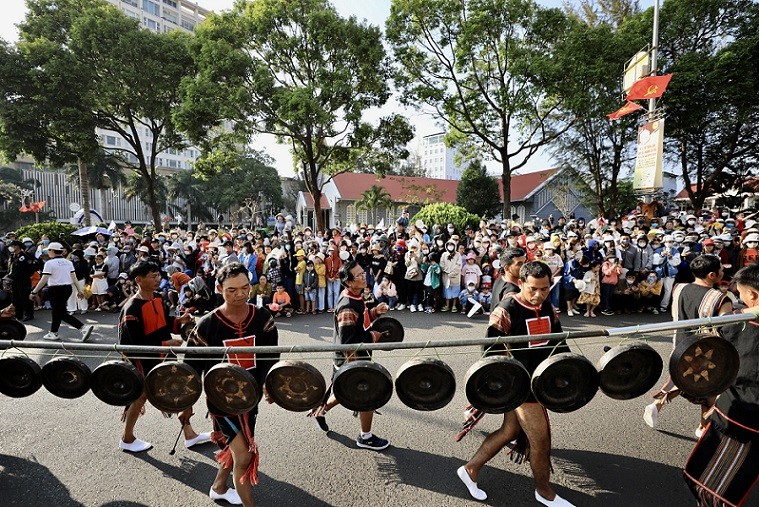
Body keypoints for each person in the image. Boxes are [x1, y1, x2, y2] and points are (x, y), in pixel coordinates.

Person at [456, 261, 574, 506]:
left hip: (539, 382)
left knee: (510, 431)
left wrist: (573, 369)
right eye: (533, 289)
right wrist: (501, 388)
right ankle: (544, 492)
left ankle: (470, 469)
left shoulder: (547, 305)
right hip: (519, 386)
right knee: (540, 440)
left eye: (545, 289)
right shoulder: (507, 309)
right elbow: (490, 354)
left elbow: (559, 344)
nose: (539, 295)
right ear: (521, 283)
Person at [186, 263, 280, 507]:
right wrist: (185, 405)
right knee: (245, 455)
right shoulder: (207, 324)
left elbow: (271, 356)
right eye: (231, 290)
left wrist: (271, 383)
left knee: (238, 449)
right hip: (222, 402)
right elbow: (190, 369)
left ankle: (218, 487)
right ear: (219, 289)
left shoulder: (262, 317)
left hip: (252, 397)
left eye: (244, 288)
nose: (240, 294)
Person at [683, 263, 759, 506]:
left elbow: (707, 360)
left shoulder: (737, 323)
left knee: (714, 484)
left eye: (742, 294)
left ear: (753, 295)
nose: (739, 298)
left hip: (741, 411)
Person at [118, 260, 210, 453]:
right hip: (144, 360)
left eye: (158, 275)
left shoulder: (158, 298)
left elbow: (163, 322)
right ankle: (127, 438)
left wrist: (179, 321)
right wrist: (164, 344)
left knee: (177, 389)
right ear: (139, 280)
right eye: (152, 276)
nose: (157, 279)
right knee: (141, 396)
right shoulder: (131, 309)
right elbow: (133, 343)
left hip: (163, 355)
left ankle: (190, 435)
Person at [644, 254, 731, 438]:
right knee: (709, 389)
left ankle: (657, 405)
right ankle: (701, 427)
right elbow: (728, 329)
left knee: (684, 378)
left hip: (681, 343)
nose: (724, 271)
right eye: (721, 269)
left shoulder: (679, 288)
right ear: (712, 275)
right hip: (706, 349)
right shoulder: (719, 298)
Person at [307, 259, 391, 450]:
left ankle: (320, 411)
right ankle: (366, 437)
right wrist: (372, 336)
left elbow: (358, 322)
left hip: (354, 355)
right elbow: (348, 342)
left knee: (341, 390)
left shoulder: (355, 295)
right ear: (349, 281)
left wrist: (374, 312)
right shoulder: (347, 306)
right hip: (350, 357)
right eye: (359, 275)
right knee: (368, 394)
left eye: (363, 272)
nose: (364, 276)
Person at [29, 242, 93, 342]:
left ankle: (82, 327)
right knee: (57, 311)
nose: (48, 253)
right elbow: (74, 277)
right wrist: (79, 290)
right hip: (67, 288)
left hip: (55, 289)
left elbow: (44, 279)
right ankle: (53, 332)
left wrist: (34, 292)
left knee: (60, 312)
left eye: (49, 250)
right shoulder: (68, 262)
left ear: (52, 251)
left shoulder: (49, 263)